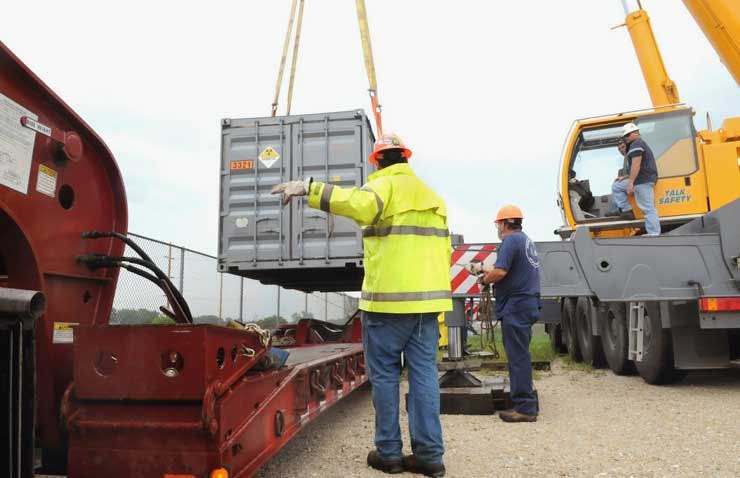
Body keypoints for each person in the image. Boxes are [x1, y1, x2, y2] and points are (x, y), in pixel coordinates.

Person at [272, 133, 451, 477]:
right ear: (405, 158)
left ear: (379, 161)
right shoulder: (434, 198)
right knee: (425, 376)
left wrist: (307, 188)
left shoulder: (382, 188)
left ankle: (389, 454)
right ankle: (430, 456)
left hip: (386, 306)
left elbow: (355, 202)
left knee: (385, 378)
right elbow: (444, 253)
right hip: (427, 308)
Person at [465, 205, 539, 423]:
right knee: (521, 355)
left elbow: (500, 271)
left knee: (517, 358)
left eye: (498, 224)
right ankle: (525, 404)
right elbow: (504, 268)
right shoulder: (525, 240)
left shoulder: (510, 241)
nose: (497, 227)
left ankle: (525, 407)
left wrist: (484, 279)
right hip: (526, 304)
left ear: (505, 223)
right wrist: (482, 268)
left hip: (516, 306)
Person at [608, 123, 660, 235]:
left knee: (648, 208)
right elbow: (639, 166)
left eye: (626, 136)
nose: (625, 139)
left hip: (643, 181)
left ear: (633, 134)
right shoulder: (637, 144)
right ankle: (626, 210)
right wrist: (627, 177)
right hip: (641, 179)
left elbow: (636, 165)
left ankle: (654, 234)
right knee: (617, 185)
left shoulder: (636, 144)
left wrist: (631, 183)